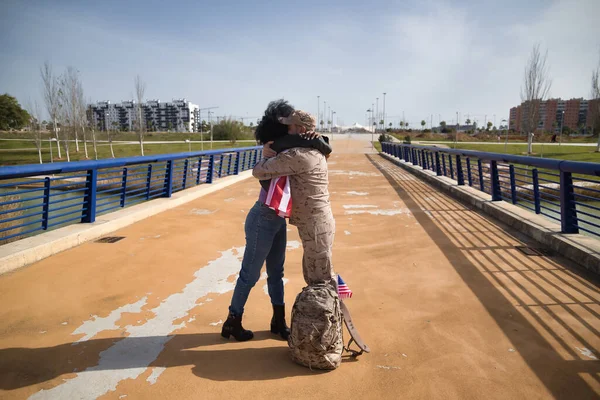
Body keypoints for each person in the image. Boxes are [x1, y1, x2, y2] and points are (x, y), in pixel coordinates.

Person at [221, 101, 332, 342]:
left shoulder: (293, 149)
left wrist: (314, 139)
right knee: (250, 274)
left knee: (276, 272)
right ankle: (232, 320)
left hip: (278, 217)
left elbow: (308, 145)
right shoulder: (281, 151)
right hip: (262, 217)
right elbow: (260, 170)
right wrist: (266, 151)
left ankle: (278, 320)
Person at [252, 111, 336, 288]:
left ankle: (331, 313)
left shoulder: (299, 155)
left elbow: (258, 170)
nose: (286, 130)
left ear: (301, 129)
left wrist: (267, 153)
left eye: (289, 127)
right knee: (318, 274)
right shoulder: (315, 149)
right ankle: (328, 311)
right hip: (315, 223)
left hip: (315, 225)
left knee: (320, 280)